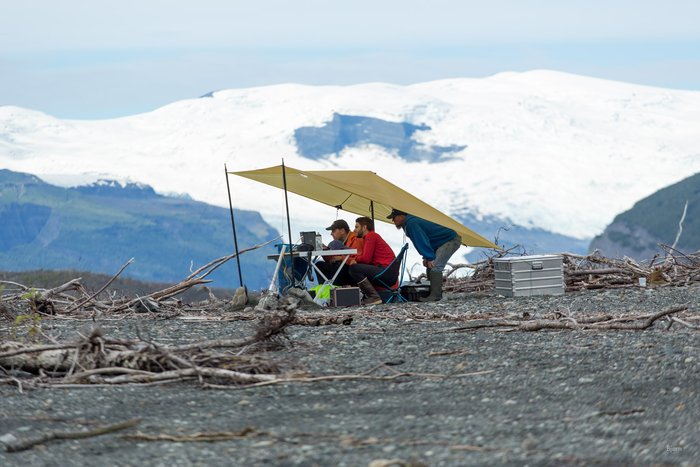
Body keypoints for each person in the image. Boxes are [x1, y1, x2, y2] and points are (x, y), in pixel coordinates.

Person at [387, 208, 462, 301]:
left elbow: (421, 240)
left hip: (449, 240)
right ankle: (431, 293)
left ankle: (436, 296)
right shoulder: (408, 224)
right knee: (430, 266)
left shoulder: (411, 223)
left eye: (394, 218)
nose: (393, 220)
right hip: (440, 242)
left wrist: (429, 257)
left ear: (401, 216)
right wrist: (426, 257)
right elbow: (424, 239)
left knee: (435, 266)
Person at [348, 216, 397, 305]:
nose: (354, 230)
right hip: (390, 272)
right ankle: (369, 296)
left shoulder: (371, 236)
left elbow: (366, 259)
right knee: (356, 268)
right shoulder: (372, 236)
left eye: (356, 227)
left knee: (353, 268)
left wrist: (355, 260)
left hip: (386, 272)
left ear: (364, 227)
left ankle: (373, 297)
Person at [314, 219, 363, 286]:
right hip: (344, 269)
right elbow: (332, 260)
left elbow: (359, 260)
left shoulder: (356, 239)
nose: (331, 233)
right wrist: (325, 250)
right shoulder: (339, 243)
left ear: (342, 231)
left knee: (338, 265)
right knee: (319, 265)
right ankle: (325, 289)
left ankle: (336, 291)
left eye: (333, 231)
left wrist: (341, 258)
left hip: (353, 272)